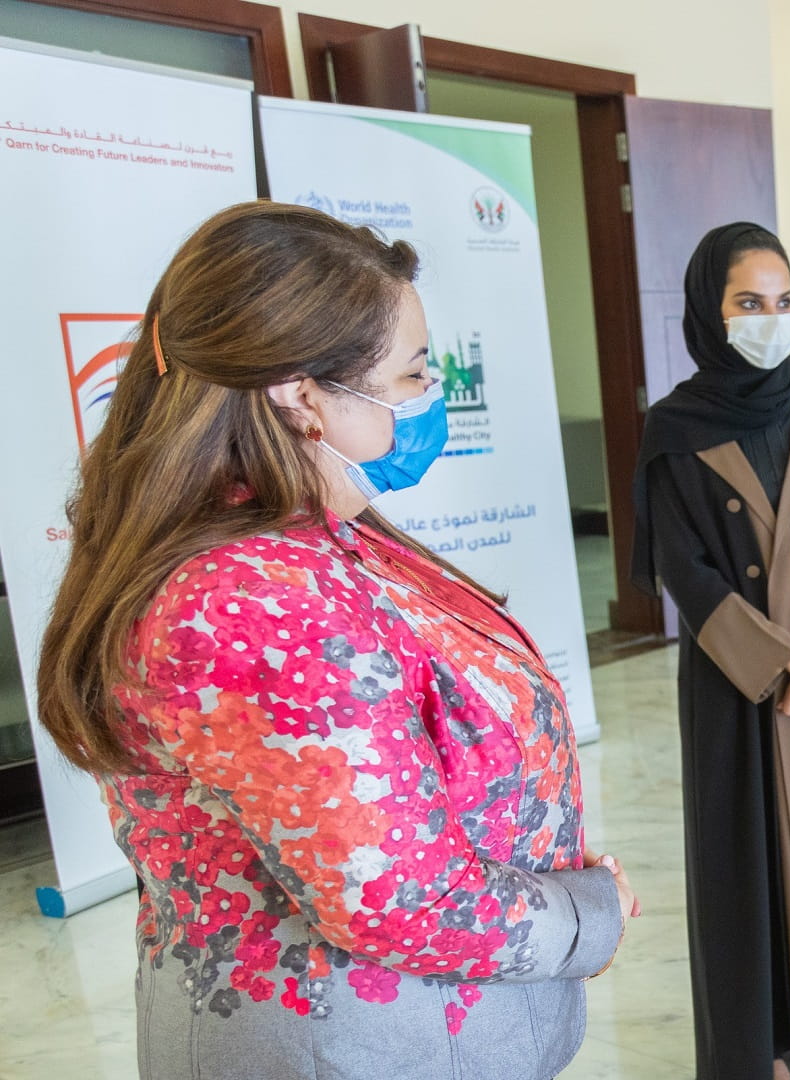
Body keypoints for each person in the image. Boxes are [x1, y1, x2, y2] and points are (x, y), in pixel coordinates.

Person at [34, 202, 637, 1080]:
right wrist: (592, 915)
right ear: (299, 393)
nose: (427, 402)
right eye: (409, 378)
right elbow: (398, 897)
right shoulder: (247, 602)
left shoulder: (315, 531)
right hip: (346, 1048)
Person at [632, 222, 790, 1080]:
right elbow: (685, 568)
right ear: (711, 312)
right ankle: (759, 1046)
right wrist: (783, 662)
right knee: (742, 867)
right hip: (739, 685)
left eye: (782, 302)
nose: (770, 320)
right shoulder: (676, 429)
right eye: (749, 302)